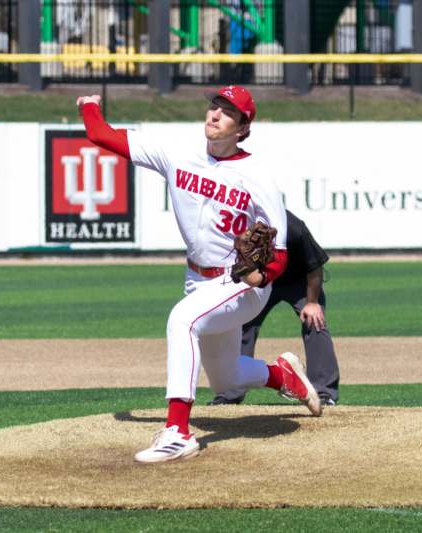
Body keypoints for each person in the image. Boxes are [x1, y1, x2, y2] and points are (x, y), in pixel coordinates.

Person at [76, 85, 322, 464]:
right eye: (214, 106)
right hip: (198, 279)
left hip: (238, 282)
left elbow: (281, 252)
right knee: (227, 378)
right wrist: (90, 107)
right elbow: (101, 135)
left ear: (242, 128)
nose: (214, 114)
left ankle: (177, 432)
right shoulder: (177, 154)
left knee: (182, 320)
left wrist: (262, 276)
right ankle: (282, 375)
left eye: (227, 111)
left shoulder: (258, 177)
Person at [208, 210, 340, 407]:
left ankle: (324, 393)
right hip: (263, 282)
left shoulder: (295, 228)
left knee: (315, 320)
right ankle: (230, 393)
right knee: (242, 322)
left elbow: (315, 267)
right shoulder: (239, 224)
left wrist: (312, 303)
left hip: (298, 282)